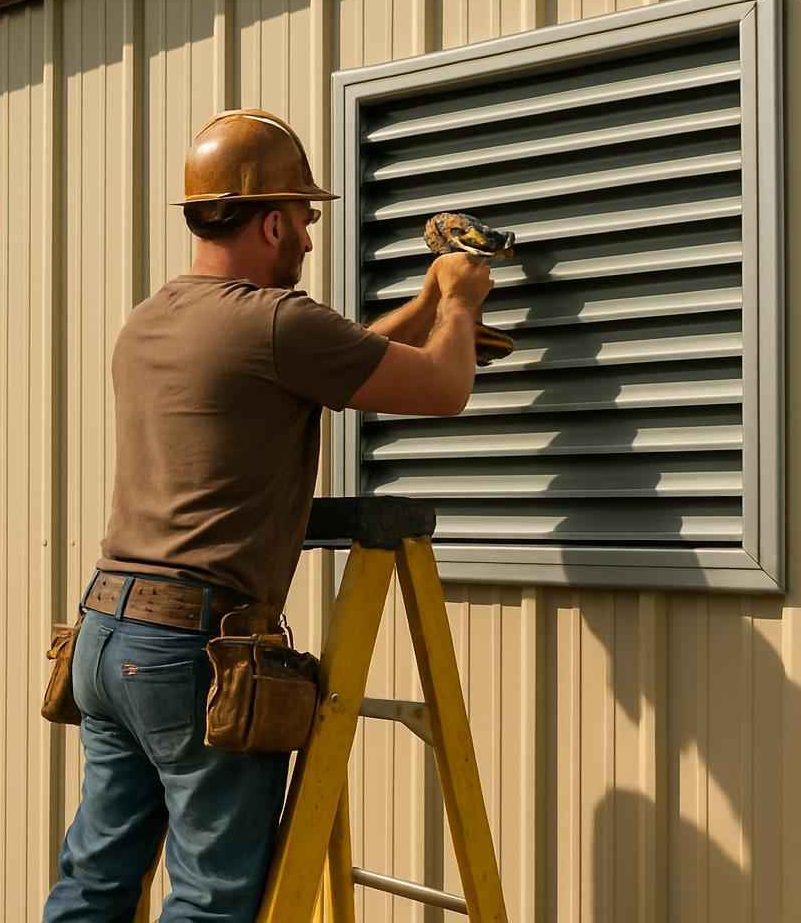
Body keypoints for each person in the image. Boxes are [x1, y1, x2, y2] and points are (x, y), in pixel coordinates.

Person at [42, 109, 491, 922]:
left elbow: (340, 359)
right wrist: (459, 299)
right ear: (274, 219)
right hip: (191, 647)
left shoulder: (154, 318)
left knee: (96, 881)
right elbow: (442, 389)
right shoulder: (276, 321)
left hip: (106, 636)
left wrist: (425, 305)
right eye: (307, 223)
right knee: (213, 899)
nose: (311, 243)